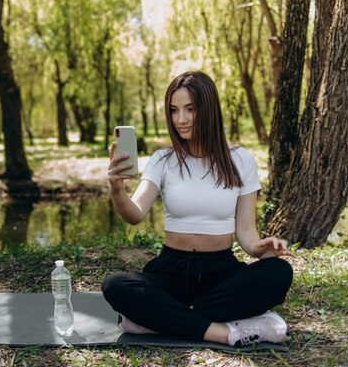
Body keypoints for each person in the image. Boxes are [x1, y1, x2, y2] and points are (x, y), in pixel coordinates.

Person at [102, 70, 294, 347]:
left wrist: (260, 249)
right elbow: (134, 214)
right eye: (174, 110)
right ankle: (225, 332)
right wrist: (117, 189)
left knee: (278, 272)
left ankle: (156, 321)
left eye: (190, 109)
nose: (181, 119)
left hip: (221, 271)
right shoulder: (163, 160)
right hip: (170, 270)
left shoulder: (240, 160)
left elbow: (246, 231)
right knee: (115, 286)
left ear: (208, 108)